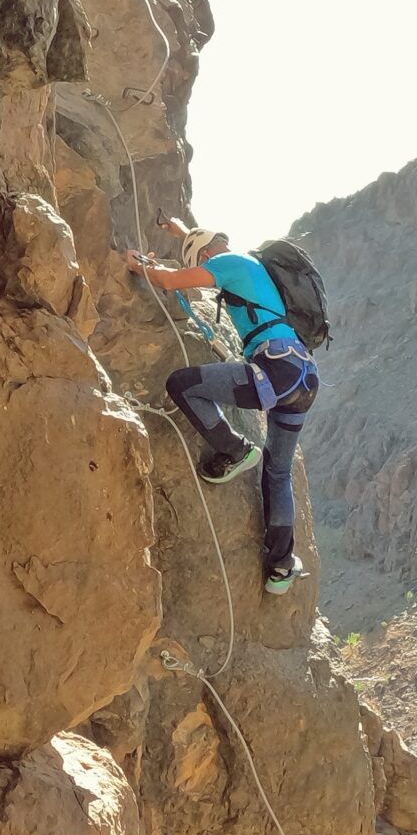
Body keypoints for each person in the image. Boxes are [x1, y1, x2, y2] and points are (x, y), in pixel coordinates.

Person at [126, 216, 320, 595]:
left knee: (182, 384)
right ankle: (281, 567)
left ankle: (234, 450)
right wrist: (183, 233)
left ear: (207, 255)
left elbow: (171, 280)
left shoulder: (229, 263)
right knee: (277, 472)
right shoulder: (248, 268)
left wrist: (136, 263)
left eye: (199, 261)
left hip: (276, 367)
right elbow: (204, 248)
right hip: (303, 377)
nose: (200, 269)